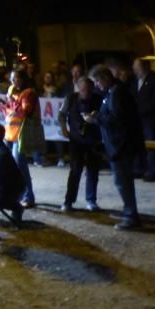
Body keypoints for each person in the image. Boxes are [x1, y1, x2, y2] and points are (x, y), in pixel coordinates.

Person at [87, 64, 143, 230]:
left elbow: (117, 120)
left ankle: (131, 215)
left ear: (105, 78)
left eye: (97, 81)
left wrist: (96, 119)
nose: (96, 85)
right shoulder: (112, 93)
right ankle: (129, 212)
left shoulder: (117, 94)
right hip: (117, 145)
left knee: (123, 182)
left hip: (120, 146)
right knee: (122, 181)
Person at [58, 76, 102, 212]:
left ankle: (91, 200)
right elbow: (61, 114)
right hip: (76, 140)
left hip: (93, 139)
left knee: (93, 171)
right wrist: (64, 128)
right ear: (78, 88)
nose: (86, 93)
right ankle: (69, 201)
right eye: (83, 90)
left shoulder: (98, 99)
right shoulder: (70, 98)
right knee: (75, 170)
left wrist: (95, 118)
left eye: (88, 90)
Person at [0, 68, 41, 208]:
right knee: (11, 166)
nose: (12, 81)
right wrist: (5, 105)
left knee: (20, 166)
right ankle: (15, 194)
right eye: (11, 78)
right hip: (10, 133)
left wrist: (12, 101)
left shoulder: (29, 93)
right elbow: (10, 113)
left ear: (23, 79)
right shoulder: (14, 92)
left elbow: (25, 112)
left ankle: (28, 196)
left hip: (21, 134)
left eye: (16, 78)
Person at [132, 57, 155, 181]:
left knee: (151, 143)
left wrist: (142, 111)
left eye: (137, 68)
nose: (135, 71)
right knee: (139, 143)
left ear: (145, 67)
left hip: (150, 118)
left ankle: (153, 170)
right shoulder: (135, 80)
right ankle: (139, 168)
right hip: (138, 118)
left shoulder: (154, 79)